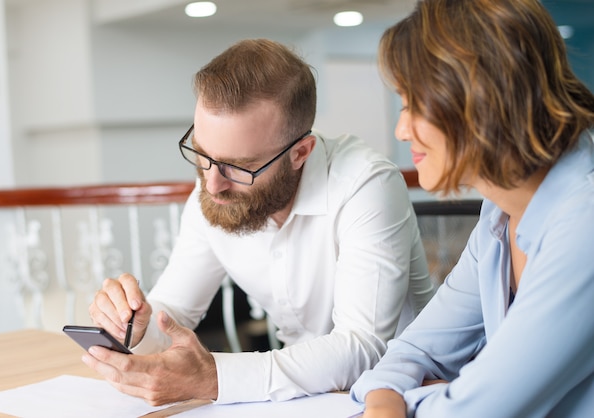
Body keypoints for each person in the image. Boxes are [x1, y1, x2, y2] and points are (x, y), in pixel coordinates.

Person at [84, 38, 435, 405]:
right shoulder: (214, 187)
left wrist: (214, 379)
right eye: (202, 154)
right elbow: (172, 314)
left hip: (409, 395)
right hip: (303, 402)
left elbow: (363, 347)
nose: (213, 183)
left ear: (300, 153)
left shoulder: (366, 183)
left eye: (239, 166)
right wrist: (137, 325)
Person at [350, 0, 594, 417]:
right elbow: (414, 349)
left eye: (413, 104)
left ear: (477, 98)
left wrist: (411, 399)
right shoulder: (498, 215)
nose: (401, 128)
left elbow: (474, 411)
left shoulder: (584, 221)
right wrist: (387, 397)